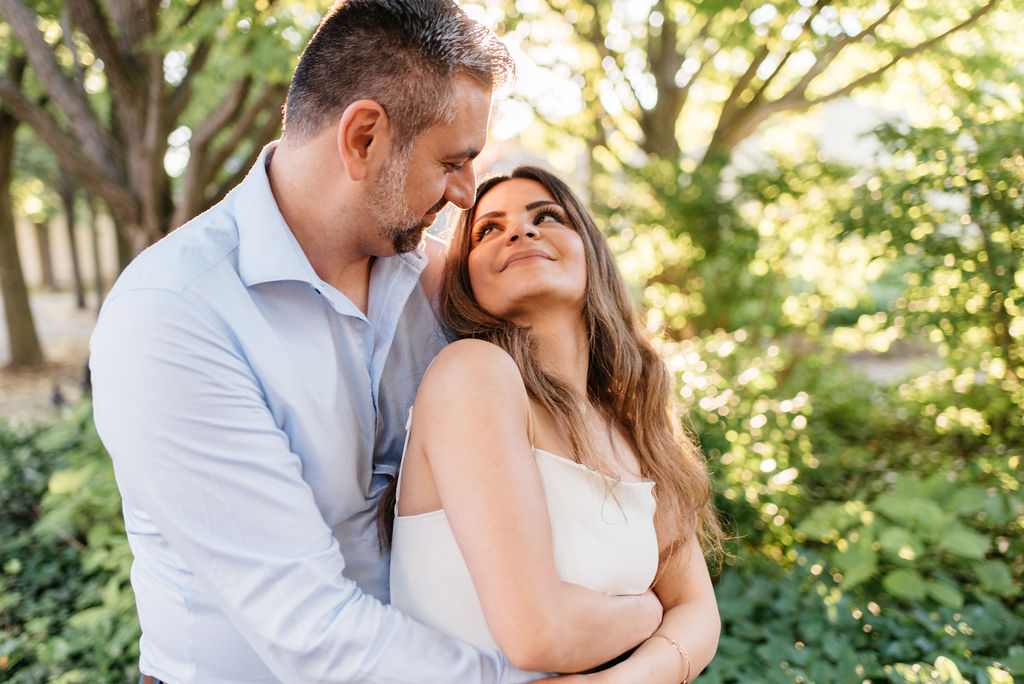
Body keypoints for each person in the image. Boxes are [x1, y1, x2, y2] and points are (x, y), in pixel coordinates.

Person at [89, 1, 546, 682]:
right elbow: (310, 629)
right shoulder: (172, 317)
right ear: (364, 138)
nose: (465, 193)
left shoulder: (441, 280)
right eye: (453, 161)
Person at [385, 166, 724, 682]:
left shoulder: (630, 428)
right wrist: (648, 611)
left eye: (547, 216)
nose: (520, 231)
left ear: (590, 252)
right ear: (467, 280)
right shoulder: (473, 374)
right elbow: (539, 634)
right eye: (487, 229)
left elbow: (699, 612)